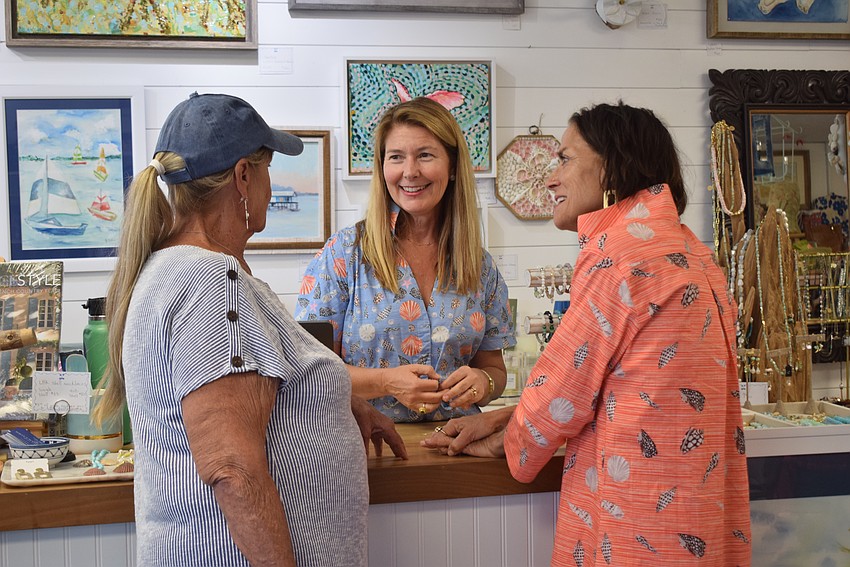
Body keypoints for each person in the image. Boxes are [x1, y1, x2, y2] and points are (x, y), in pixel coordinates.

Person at [422, 102, 752, 565]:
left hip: (640, 519)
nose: (551, 178)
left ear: (613, 166)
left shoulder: (619, 252)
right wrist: (503, 418)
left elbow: (565, 393)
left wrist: (507, 441)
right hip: (698, 509)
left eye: (565, 159)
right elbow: (633, 387)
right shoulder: (690, 250)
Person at [93, 92, 406, 567]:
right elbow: (233, 468)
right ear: (243, 176)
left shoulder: (171, 270)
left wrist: (333, 402)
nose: (268, 185)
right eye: (266, 169)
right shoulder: (213, 283)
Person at [294, 97, 515, 422]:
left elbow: (494, 369)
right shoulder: (345, 254)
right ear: (383, 168)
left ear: (452, 166)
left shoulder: (480, 266)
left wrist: (484, 382)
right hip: (369, 451)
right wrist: (386, 382)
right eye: (396, 157)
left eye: (425, 155)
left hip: (461, 451)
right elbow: (309, 369)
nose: (410, 172)